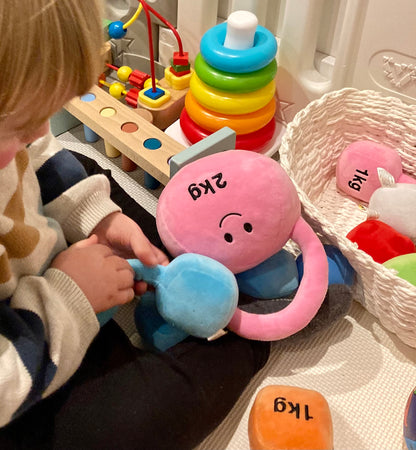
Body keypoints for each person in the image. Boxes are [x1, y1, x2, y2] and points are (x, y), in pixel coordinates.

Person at [0, 1, 270, 448]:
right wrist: (72, 297)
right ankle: (250, 325)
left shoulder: (22, 129)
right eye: (16, 125)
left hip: (47, 262)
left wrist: (99, 218)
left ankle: (233, 274)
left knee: (107, 190)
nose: (39, 129)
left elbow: (42, 153)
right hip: (24, 352)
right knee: (127, 427)